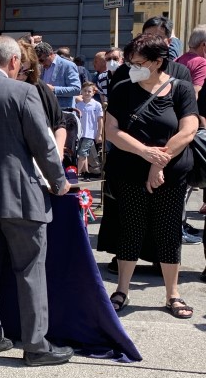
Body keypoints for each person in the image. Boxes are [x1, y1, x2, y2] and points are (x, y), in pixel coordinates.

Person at [0, 35, 74, 367]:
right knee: (30, 270)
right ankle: (36, 346)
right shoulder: (23, 92)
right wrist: (59, 181)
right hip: (20, 197)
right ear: (13, 62)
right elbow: (43, 145)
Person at [104, 33, 197, 319]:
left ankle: (173, 294)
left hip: (171, 174)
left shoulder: (181, 89)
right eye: (130, 63)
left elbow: (188, 130)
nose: (133, 68)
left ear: (157, 62)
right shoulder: (123, 89)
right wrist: (146, 153)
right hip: (130, 172)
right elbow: (112, 131)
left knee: (168, 231)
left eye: (139, 63)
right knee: (130, 229)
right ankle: (121, 289)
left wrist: (159, 161)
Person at [16, 40, 66, 158]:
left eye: (26, 72)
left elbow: (59, 123)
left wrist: (59, 151)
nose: (21, 76)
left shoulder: (38, 87)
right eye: (18, 72)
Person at [35, 41, 81, 108]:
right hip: (45, 109)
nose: (41, 64)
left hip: (63, 110)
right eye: (38, 61)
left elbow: (76, 89)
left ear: (51, 54)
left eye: (42, 60)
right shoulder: (41, 67)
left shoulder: (68, 65)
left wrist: (54, 89)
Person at [75, 82, 104, 178]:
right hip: (80, 133)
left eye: (89, 91)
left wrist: (99, 134)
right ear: (81, 92)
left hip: (90, 133)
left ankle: (77, 173)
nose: (87, 93)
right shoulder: (78, 105)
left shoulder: (97, 105)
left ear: (93, 93)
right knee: (84, 153)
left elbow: (100, 120)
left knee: (82, 153)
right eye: (85, 91)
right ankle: (86, 171)